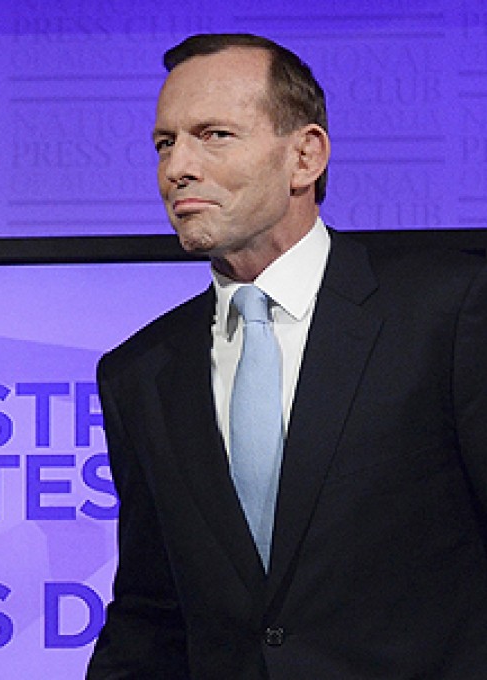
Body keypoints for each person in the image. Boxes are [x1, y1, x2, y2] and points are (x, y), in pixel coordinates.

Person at [87, 33, 487, 679]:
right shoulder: (140, 372)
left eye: (213, 135)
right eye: (165, 142)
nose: (176, 168)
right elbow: (150, 611)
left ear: (304, 156)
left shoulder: (448, 312)